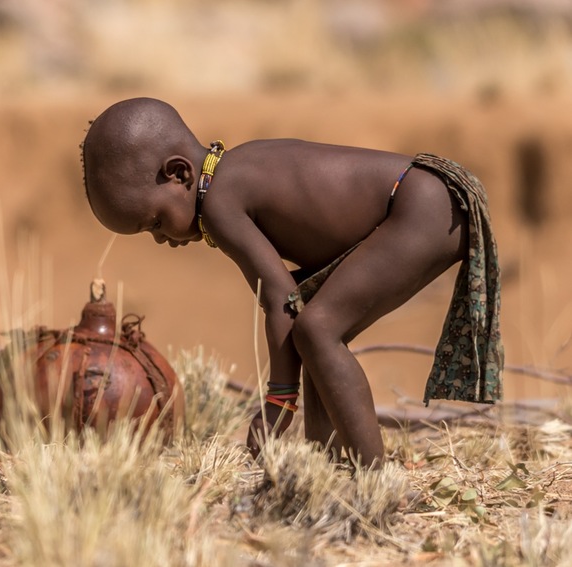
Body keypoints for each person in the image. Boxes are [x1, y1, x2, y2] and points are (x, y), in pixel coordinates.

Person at [80, 97, 503, 467]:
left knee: (317, 328)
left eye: (155, 222)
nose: (162, 238)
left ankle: (375, 480)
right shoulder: (237, 170)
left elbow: (278, 300)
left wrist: (278, 403)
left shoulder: (221, 202)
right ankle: (328, 463)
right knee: (314, 322)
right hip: (431, 197)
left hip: (421, 207)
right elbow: (291, 300)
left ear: (179, 174)